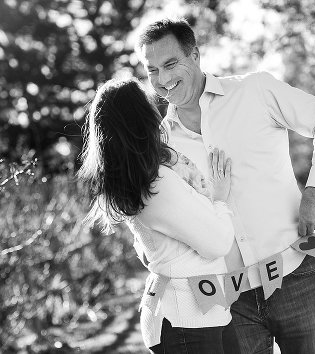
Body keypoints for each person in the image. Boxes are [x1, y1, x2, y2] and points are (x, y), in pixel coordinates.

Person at [135, 18, 315, 353]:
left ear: (194, 55)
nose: (162, 80)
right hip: (227, 302)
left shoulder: (255, 91)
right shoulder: (159, 146)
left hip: (297, 276)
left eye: (170, 64)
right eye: (151, 70)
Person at [79, 77, 241, 353]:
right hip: (186, 320)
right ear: (142, 118)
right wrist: (220, 198)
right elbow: (217, 243)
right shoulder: (157, 184)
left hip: (199, 313)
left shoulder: (146, 179)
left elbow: (148, 248)